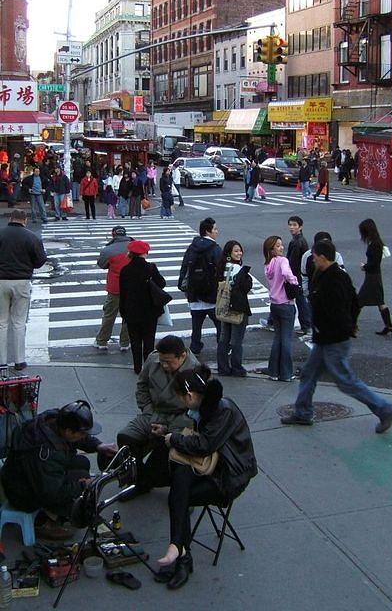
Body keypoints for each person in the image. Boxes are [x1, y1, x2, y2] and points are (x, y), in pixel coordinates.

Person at [153, 365, 257, 589]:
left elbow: (204, 445)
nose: (182, 405)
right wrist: (169, 433)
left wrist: (174, 439)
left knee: (180, 496)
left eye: (182, 399)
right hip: (212, 467)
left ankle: (181, 554)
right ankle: (180, 553)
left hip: (229, 478)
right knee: (179, 480)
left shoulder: (223, 410)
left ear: (190, 396)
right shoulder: (206, 407)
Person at [280, 241, 392, 433]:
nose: (313, 260)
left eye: (315, 256)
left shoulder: (335, 279)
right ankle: (303, 412)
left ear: (323, 257)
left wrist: (346, 327)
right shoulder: (327, 275)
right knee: (309, 374)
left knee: (346, 382)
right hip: (324, 339)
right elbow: (353, 302)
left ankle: (385, 408)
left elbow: (346, 307)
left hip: (333, 340)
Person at [1, 399, 116, 539]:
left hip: (30, 475)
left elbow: (78, 438)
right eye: (82, 433)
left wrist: (98, 446)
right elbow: (52, 493)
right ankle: (41, 522)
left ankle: (61, 511)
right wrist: (83, 485)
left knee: (82, 463)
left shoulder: (56, 419)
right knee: (81, 478)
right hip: (23, 493)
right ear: (68, 431)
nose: (85, 436)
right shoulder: (46, 453)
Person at [116, 335, 198, 496]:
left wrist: (167, 429)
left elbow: (195, 412)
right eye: (162, 361)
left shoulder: (196, 372)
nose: (164, 365)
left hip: (179, 421)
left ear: (182, 356)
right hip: (152, 413)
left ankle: (180, 492)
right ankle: (140, 482)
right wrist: (148, 410)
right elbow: (142, 386)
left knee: (164, 453)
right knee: (125, 437)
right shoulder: (153, 359)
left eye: (168, 361)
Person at [0, 209, 47, 370]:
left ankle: (2, 361)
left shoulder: (1, 234)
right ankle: (19, 360)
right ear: (24, 220)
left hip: (1, 281)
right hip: (22, 281)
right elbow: (40, 261)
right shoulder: (31, 237)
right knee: (19, 322)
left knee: (2, 322)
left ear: (10, 219)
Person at [119, 240, 168, 373]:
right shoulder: (151, 268)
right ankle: (148, 368)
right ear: (145, 253)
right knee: (148, 340)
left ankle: (137, 367)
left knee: (135, 341)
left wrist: (123, 311)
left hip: (132, 311)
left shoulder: (125, 270)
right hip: (150, 311)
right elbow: (162, 283)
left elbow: (122, 293)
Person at [178, 218, 222, 356]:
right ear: (208, 231)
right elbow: (221, 270)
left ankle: (195, 347)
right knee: (219, 324)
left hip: (195, 294)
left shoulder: (192, 247)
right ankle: (222, 345)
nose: (217, 231)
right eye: (214, 229)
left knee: (196, 325)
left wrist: (183, 286)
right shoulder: (215, 249)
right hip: (211, 293)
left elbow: (184, 268)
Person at [263, 235, 299, 381]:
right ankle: (286, 373)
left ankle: (273, 371)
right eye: (278, 246)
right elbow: (286, 273)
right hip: (286, 304)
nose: (281, 247)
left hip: (275, 304)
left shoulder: (268, 264)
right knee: (286, 339)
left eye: (281, 244)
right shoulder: (283, 260)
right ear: (271, 250)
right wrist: (294, 282)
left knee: (277, 338)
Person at [216, 241, 252, 377]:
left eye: (240, 250)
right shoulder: (237, 268)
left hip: (224, 306)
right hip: (237, 307)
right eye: (236, 251)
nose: (239, 253)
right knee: (237, 341)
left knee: (224, 338)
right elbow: (245, 287)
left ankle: (223, 368)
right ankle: (237, 368)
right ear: (229, 253)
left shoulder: (223, 267)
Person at [94, 226, 131, 352]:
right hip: (131, 288)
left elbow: (102, 265)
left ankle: (102, 341)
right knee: (128, 316)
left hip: (115, 287)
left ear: (113, 235)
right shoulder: (134, 246)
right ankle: (125, 342)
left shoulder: (108, 250)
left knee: (109, 315)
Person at [357, 218, 392, 336]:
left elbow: (374, 263)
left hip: (372, 276)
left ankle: (351, 325)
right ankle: (388, 325)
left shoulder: (375, 244)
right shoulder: (376, 241)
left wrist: (365, 267)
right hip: (375, 275)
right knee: (380, 301)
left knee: (359, 301)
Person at [286, 216, 312, 337]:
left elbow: (293, 261)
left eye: (294, 225)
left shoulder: (297, 242)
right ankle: (306, 324)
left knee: (300, 300)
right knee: (299, 299)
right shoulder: (300, 240)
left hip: (296, 275)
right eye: (290, 225)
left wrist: (288, 274)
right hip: (298, 275)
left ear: (300, 227)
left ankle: (306, 325)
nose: (292, 227)